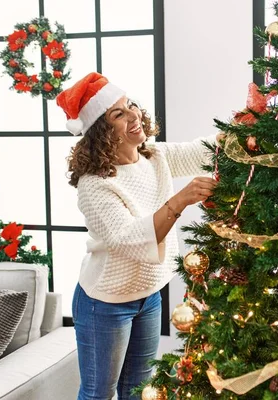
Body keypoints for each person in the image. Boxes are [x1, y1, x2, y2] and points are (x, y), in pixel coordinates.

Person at [56, 72, 220, 400]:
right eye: (119, 114)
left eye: (131, 106)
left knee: (139, 389)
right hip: (105, 302)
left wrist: (244, 129)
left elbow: (201, 152)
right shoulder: (94, 185)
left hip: (149, 294)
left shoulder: (153, 156)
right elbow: (130, 240)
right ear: (101, 132)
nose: (134, 115)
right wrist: (179, 200)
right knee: (99, 392)